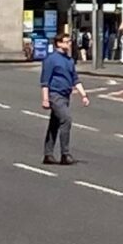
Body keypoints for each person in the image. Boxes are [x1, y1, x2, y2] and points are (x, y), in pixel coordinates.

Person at [40, 28, 84, 165]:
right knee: (66, 120)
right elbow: (45, 81)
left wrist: (84, 95)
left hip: (65, 95)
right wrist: (45, 99)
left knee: (55, 123)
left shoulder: (70, 60)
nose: (69, 44)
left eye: (70, 41)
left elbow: (75, 79)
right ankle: (65, 154)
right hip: (55, 94)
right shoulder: (51, 60)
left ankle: (48, 155)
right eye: (66, 42)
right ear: (58, 44)